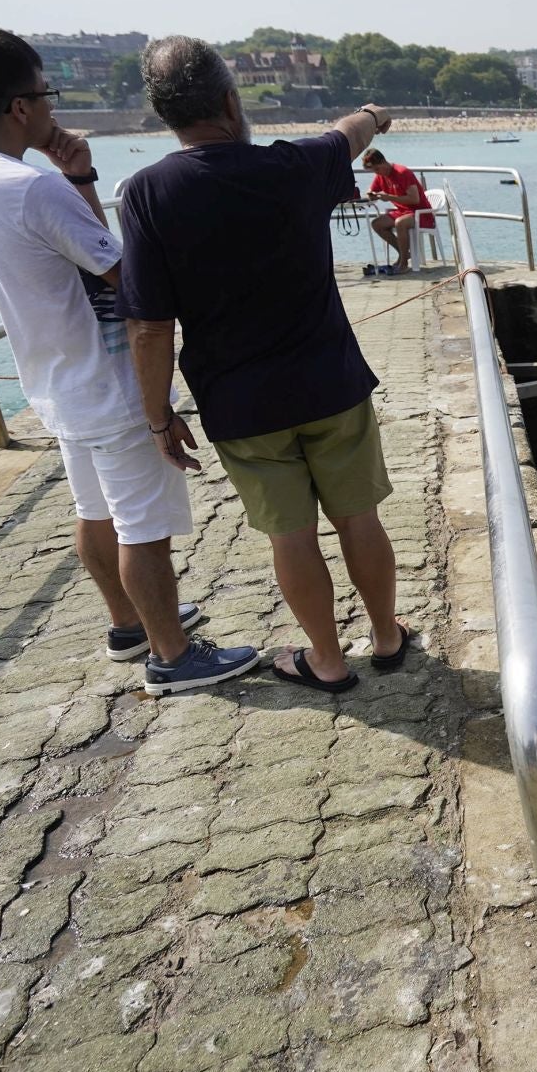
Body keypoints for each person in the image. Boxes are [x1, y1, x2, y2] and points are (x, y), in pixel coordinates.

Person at [0, 26, 257, 694]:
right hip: (111, 378)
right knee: (144, 527)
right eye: (45, 94)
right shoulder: (25, 188)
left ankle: (129, 624)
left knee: (96, 510)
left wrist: (77, 175)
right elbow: (125, 275)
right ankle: (173, 655)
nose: (52, 108)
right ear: (19, 106)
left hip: (55, 377)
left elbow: (82, 249)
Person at [117, 36, 405, 695]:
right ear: (229, 100)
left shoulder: (147, 192)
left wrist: (158, 415)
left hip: (240, 403)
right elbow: (349, 133)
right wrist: (374, 112)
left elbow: (148, 324)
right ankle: (387, 636)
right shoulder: (294, 166)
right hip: (332, 381)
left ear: (164, 114)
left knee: (291, 533)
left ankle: (327, 660)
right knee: (360, 517)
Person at [361, 148, 428, 274]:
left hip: (420, 212)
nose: (376, 173)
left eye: (376, 169)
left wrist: (389, 197)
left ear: (382, 162)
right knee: (377, 224)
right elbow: (371, 190)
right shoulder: (380, 176)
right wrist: (371, 194)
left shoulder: (402, 172)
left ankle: (403, 264)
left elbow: (415, 199)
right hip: (402, 212)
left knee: (400, 223)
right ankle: (404, 254)